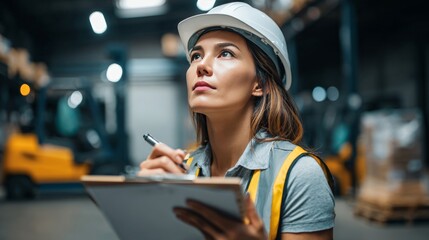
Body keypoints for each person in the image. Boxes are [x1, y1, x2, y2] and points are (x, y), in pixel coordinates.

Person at [139, 2, 335, 240]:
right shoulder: (183, 170)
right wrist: (145, 207)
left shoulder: (300, 174)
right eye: (196, 55)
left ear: (260, 84)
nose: (201, 65)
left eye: (225, 53)